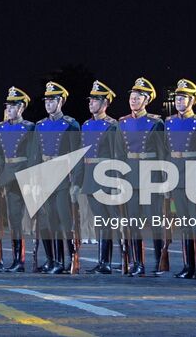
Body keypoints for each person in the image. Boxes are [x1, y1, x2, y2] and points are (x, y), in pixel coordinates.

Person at [162, 78, 196, 279]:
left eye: (184, 97)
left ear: (193, 100)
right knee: (184, 223)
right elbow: (167, 153)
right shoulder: (170, 122)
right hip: (177, 177)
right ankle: (187, 264)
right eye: (178, 97)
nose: (179, 101)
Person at [32, 81, 81, 274]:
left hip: (62, 180)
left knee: (64, 221)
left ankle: (68, 260)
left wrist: (75, 184)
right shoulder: (40, 125)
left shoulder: (70, 125)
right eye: (46, 101)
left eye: (52, 101)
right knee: (47, 221)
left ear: (60, 101)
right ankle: (52, 260)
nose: (48, 104)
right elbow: (35, 156)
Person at [117, 78, 161, 275]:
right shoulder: (123, 122)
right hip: (130, 179)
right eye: (132, 97)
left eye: (138, 97)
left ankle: (160, 261)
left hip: (151, 178)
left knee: (155, 222)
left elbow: (163, 154)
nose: (133, 100)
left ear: (147, 100)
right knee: (133, 224)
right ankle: (137, 262)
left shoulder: (155, 123)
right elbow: (118, 153)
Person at [80, 80, 120, 274]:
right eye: (90, 100)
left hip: (106, 178)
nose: (91, 103)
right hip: (90, 178)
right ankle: (103, 261)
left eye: (95, 100)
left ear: (104, 103)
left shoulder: (112, 126)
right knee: (100, 221)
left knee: (111, 221)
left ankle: (112, 261)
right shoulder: (86, 125)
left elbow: (117, 156)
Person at [0, 86, 34, 273]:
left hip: (25, 174)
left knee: (38, 219)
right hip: (9, 178)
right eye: (7, 106)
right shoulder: (1, 128)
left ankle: (47, 259)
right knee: (14, 220)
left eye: (13, 106)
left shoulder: (29, 127)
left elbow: (33, 154)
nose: (9, 109)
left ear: (21, 108)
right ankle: (18, 259)